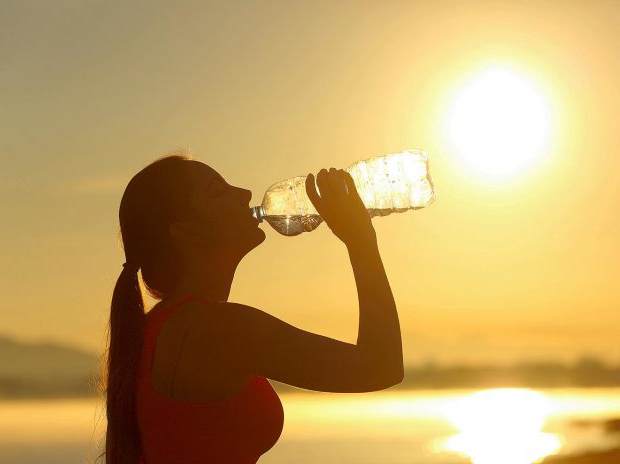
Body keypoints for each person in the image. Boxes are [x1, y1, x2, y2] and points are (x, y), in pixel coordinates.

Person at [100, 151, 404, 464]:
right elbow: (380, 367)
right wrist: (361, 240)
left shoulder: (165, 326)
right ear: (188, 233)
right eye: (219, 191)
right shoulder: (214, 329)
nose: (244, 193)